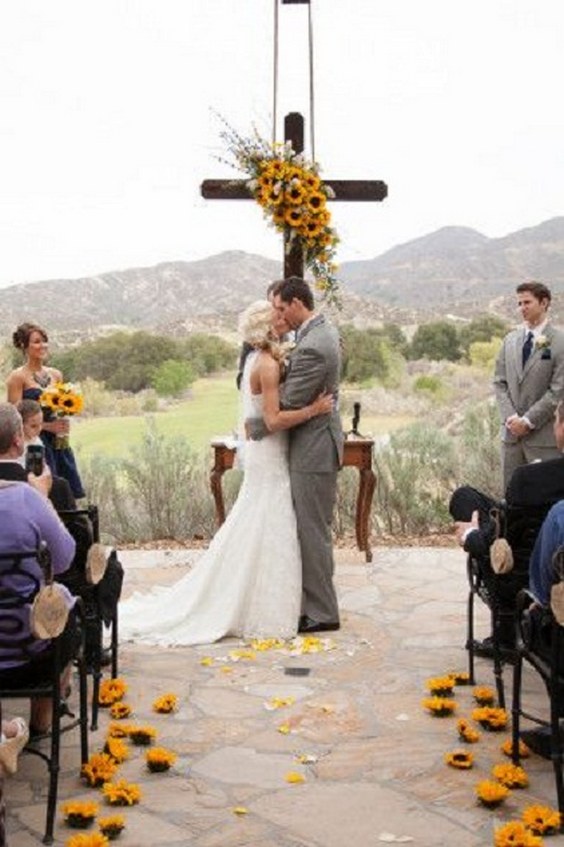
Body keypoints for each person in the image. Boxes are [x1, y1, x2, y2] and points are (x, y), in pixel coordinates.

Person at [119, 300, 333, 646]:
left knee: (262, 520)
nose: (283, 318)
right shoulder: (265, 364)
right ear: (266, 327)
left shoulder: (261, 358)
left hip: (269, 453)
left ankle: (257, 599)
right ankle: (260, 608)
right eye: (276, 316)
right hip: (270, 454)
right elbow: (273, 420)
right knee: (269, 519)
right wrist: (315, 408)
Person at [249, 277, 344, 633]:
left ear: (294, 304)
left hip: (314, 450)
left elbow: (287, 405)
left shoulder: (313, 345)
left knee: (312, 531)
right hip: (313, 444)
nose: (277, 315)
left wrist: (253, 425)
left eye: (279, 307)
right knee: (310, 528)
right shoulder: (319, 332)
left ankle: (322, 612)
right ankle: (314, 601)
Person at [0, 404, 78, 737]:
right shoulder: (27, 498)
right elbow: (64, 560)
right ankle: (42, 720)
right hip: (29, 653)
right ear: (19, 442)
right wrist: (43, 498)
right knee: (63, 611)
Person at [493, 281, 564, 490]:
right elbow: (499, 382)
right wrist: (512, 418)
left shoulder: (560, 342)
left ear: (544, 303)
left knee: (545, 500)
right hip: (511, 440)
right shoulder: (510, 340)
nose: (522, 308)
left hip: (543, 441)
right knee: (511, 501)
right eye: (519, 303)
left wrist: (528, 421)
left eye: (527, 302)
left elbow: (558, 389)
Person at [6, 321, 85, 499]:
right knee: (42, 495)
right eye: (36, 341)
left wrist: (64, 422)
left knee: (65, 495)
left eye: (44, 341)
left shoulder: (56, 374)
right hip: (34, 444)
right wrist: (48, 427)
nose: (43, 345)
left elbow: (62, 405)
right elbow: (13, 421)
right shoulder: (17, 377)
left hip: (59, 443)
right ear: (24, 346)